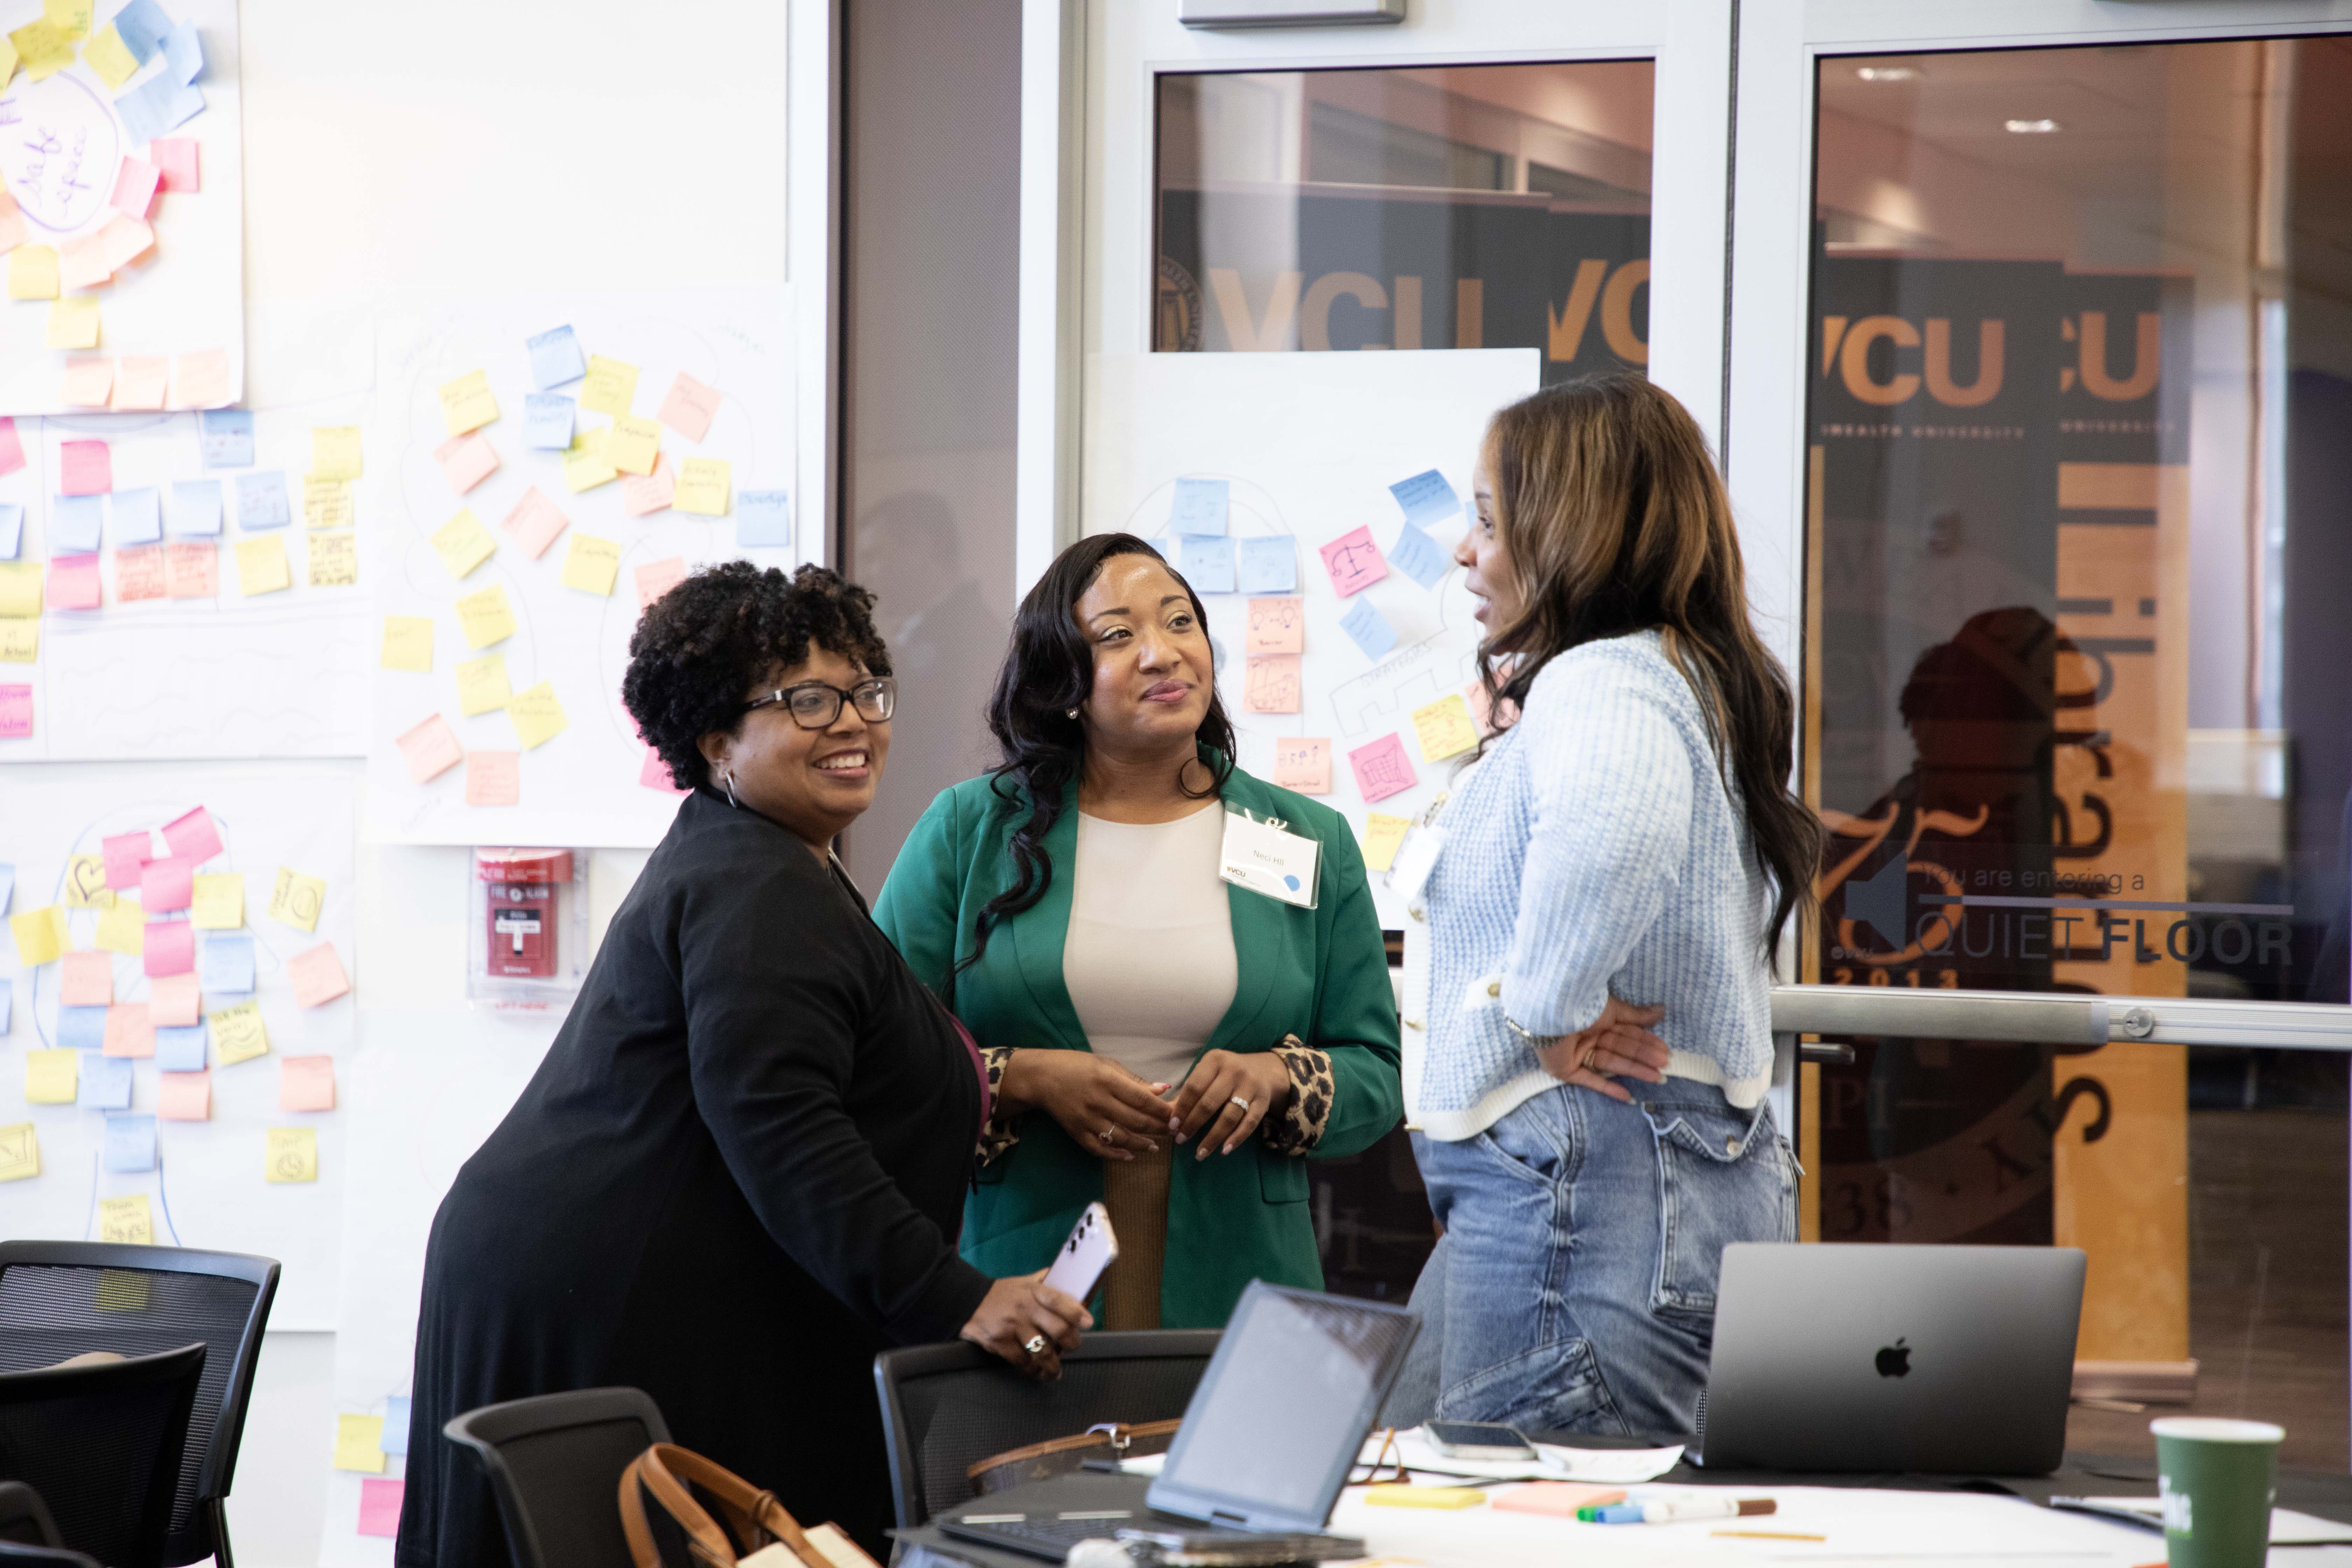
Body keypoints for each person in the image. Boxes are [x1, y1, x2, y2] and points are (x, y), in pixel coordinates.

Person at [396, 564, 1091, 1568]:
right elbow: (785, 1127)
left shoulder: (771, 855)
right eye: (807, 699)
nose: (852, 721)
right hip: (608, 1294)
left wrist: (1006, 1080)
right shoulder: (756, 883)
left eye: (866, 690)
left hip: (606, 1275)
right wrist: (961, 1295)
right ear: (718, 739)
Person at [1397, 375, 1818, 1440]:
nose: (1465, 552)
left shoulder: (1604, 682)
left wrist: (1545, 1008)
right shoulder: (1680, 678)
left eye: (1490, 521)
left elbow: (1612, 831)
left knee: (1524, 1521)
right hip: (1612, 1192)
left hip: (1590, 1197)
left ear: (1571, 529)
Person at [874, 534, 1402, 1331]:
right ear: (1064, 684)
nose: (1164, 654)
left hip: (1245, 1279)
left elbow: (1376, 1071)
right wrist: (1028, 1076)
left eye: (1181, 622)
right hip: (1022, 1280)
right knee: (1035, 1460)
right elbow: (874, 1054)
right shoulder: (968, 831)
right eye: (1118, 635)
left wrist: (1277, 1077)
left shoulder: (1307, 835)